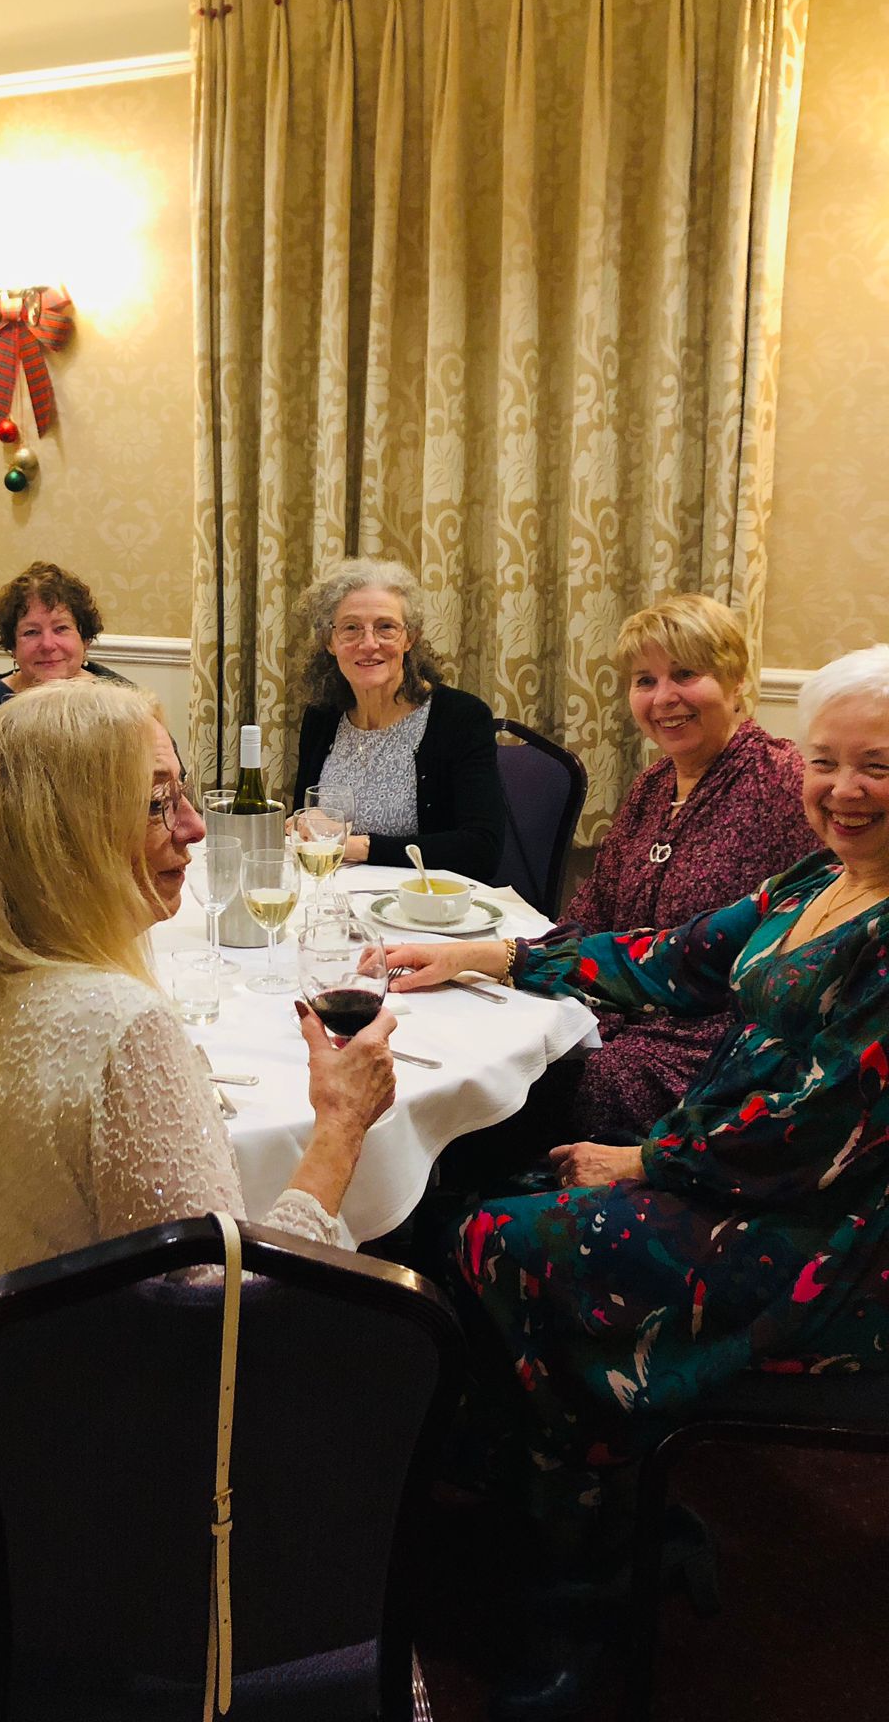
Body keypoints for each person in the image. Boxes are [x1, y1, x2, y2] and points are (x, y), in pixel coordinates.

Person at [0, 679, 395, 1590]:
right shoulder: (116, 1027)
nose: (195, 828)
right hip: (32, 1503)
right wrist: (340, 1128)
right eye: (156, 804)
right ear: (62, 833)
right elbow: (228, 1324)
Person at [381, 645, 889, 1577]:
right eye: (825, 761)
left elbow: (815, 1128)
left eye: (878, 766)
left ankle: (587, 1543)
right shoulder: (819, 881)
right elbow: (675, 958)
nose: (843, 790)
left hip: (825, 1236)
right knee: (472, 1198)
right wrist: (493, 958)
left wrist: (646, 1163)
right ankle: (533, 1469)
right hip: (734, 1168)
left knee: (499, 1235)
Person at [538, 593, 816, 1140]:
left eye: (685, 674)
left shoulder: (784, 780)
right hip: (618, 1008)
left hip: (718, 1037)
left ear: (736, 681)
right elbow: (593, 907)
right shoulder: (654, 784)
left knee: (568, 1083)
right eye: (645, 680)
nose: (664, 698)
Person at [291, 558, 505, 880]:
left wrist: (356, 847)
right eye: (351, 628)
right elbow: (307, 821)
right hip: (334, 895)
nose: (368, 644)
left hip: (423, 902)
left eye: (386, 627)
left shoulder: (461, 718)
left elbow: (481, 850)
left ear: (410, 638)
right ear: (329, 642)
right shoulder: (322, 717)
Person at [0, 560, 134, 799]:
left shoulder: (122, 704)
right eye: (31, 632)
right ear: (12, 647)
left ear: (85, 639)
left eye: (61, 628)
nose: (48, 644)